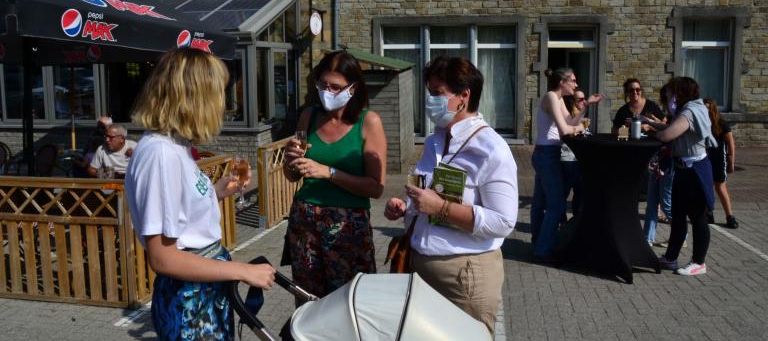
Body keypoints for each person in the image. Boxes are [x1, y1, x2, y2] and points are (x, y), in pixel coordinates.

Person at [124, 47, 276, 340]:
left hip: (203, 286)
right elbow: (164, 258)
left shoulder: (175, 145)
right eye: (219, 92)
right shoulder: (160, 154)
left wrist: (217, 191)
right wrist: (241, 270)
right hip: (189, 296)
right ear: (194, 96)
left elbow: (179, 214)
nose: (223, 103)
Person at [383, 56, 517, 334]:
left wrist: (441, 208)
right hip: (421, 267)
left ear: (463, 96)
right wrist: (406, 207)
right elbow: (427, 191)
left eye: (437, 94)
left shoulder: (491, 148)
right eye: (429, 93)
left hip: (464, 277)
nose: (430, 101)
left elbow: (503, 222)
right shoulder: (434, 141)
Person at [282, 51, 387, 300]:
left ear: (353, 88)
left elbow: (376, 188)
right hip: (305, 223)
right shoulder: (310, 115)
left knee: (349, 301)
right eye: (322, 84)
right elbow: (292, 176)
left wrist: (329, 173)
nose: (327, 91)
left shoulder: (368, 121)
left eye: (335, 87)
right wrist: (289, 161)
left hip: (347, 228)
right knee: (308, 301)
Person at [644, 77, 717, 276]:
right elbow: (671, 128)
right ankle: (670, 258)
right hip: (683, 169)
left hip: (695, 171)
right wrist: (650, 123)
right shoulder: (687, 110)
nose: (668, 96)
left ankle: (699, 262)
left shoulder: (690, 112)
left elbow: (667, 136)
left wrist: (651, 131)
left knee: (698, 217)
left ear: (680, 92)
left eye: (671, 92)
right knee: (678, 216)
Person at [531, 68, 604, 261]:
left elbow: (570, 119)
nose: (576, 84)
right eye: (573, 80)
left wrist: (585, 106)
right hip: (546, 155)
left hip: (547, 154)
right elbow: (565, 130)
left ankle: (538, 243)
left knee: (539, 202)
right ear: (562, 82)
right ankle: (542, 250)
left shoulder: (559, 99)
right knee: (555, 205)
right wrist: (582, 127)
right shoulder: (551, 97)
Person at [644, 84, 674, 246]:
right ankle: (647, 239)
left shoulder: (682, 113)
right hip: (658, 161)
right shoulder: (672, 113)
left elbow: (669, 134)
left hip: (669, 164)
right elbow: (666, 127)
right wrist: (650, 121)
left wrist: (651, 127)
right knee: (651, 203)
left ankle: (680, 236)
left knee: (666, 204)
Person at [704, 99, 739, 229]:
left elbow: (731, 144)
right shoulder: (701, 124)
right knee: (705, 187)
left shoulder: (722, 124)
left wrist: (731, 161)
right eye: (704, 109)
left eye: (708, 108)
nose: (706, 111)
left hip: (719, 160)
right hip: (704, 160)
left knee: (720, 187)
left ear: (713, 109)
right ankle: (708, 213)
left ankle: (730, 216)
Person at [560, 90, 587, 220]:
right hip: (567, 158)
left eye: (584, 99)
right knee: (564, 193)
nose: (583, 101)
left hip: (580, 159)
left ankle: (577, 221)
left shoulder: (582, 116)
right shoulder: (568, 115)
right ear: (573, 101)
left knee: (580, 193)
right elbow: (566, 133)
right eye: (579, 99)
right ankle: (561, 221)